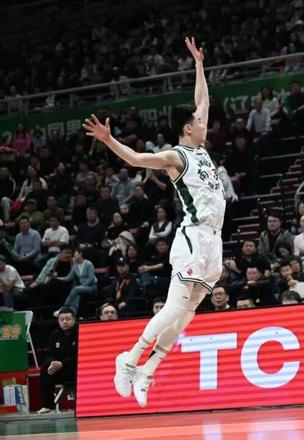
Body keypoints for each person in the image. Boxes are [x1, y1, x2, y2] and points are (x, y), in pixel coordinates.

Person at [83, 37, 226, 408]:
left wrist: (199, 64)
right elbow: (135, 159)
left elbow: (203, 100)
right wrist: (109, 140)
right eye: (198, 122)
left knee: (189, 312)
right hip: (193, 236)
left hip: (215, 239)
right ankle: (129, 359)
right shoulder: (176, 156)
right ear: (187, 129)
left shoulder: (201, 147)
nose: (204, 123)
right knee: (175, 308)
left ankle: (149, 370)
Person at [36, 307, 78, 414]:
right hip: (60, 370)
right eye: (61, 319)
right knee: (45, 369)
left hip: (75, 368)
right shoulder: (55, 334)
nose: (65, 322)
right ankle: (48, 406)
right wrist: (52, 363)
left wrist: (62, 363)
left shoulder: (81, 331)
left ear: (74, 319)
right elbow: (49, 353)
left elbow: (78, 355)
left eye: (68, 319)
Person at [54, 248, 97, 317]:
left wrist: (83, 285)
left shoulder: (88, 264)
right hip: (82, 288)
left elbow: (91, 278)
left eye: (75, 254)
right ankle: (73, 313)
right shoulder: (75, 266)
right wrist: (57, 278)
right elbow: (68, 278)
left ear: (80, 254)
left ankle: (64, 307)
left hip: (91, 286)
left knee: (76, 289)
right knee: (77, 295)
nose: (73, 256)